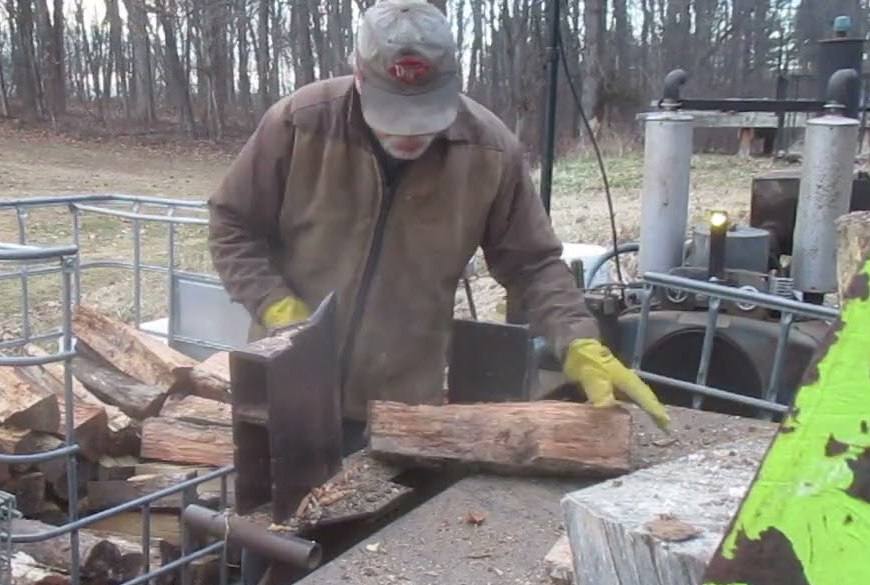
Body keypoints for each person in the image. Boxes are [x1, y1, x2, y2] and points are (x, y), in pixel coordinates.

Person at [206, 0, 670, 449]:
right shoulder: (300, 124)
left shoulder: (490, 152)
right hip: (289, 383)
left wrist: (578, 340)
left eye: (424, 115)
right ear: (359, 76)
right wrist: (278, 308)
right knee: (273, 521)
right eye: (394, 116)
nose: (409, 134)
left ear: (452, 82)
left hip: (401, 404)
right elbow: (232, 224)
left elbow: (532, 264)